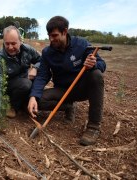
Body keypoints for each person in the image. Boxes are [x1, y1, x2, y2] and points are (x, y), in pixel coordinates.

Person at [28, 16, 106, 146]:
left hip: (82, 89)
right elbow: (42, 76)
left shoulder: (82, 45)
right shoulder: (47, 52)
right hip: (63, 90)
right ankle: (68, 106)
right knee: (38, 100)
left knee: (96, 75)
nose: (51, 39)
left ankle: (93, 127)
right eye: (49, 36)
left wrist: (94, 64)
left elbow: (102, 65)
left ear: (65, 31)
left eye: (54, 35)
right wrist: (33, 96)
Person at [0, 25, 40, 120]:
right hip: (7, 88)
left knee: (38, 75)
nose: (10, 47)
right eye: (7, 44)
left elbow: (42, 60)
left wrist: (35, 68)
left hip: (23, 82)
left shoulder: (27, 50)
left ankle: (27, 102)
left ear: (20, 41)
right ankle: (12, 106)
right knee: (25, 84)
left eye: (13, 43)